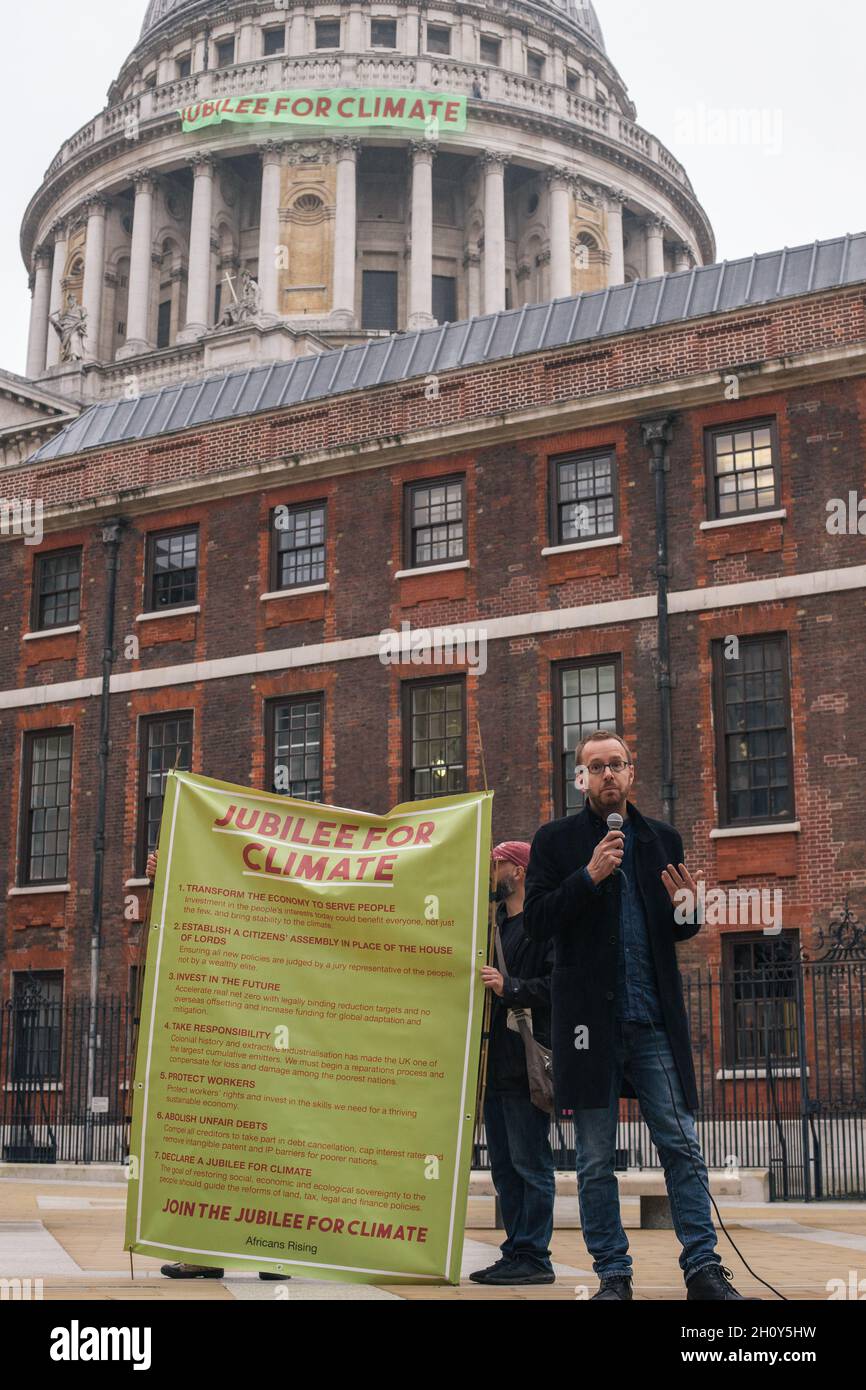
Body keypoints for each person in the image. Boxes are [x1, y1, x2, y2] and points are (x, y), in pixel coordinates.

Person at [522, 731, 756, 1302]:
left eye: (616, 765)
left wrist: (690, 912)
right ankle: (614, 1276)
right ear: (581, 779)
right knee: (597, 1159)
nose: (606, 776)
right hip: (586, 1029)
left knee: (681, 1145)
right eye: (594, 767)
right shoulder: (555, 842)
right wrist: (588, 877)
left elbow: (674, 929)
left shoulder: (660, 840)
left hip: (652, 1020)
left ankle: (702, 1267)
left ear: (631, 773)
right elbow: (534, 923)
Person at [144, 850, 288, 1283]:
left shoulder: (277, 909)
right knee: (208, 1152)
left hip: (268, 1046)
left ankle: (273, 1253)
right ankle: (204, 1252)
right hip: (218, 1043)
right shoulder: (217, 906)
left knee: (268, 1152)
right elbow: (179, 917)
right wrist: (163, 878)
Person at [472, 841, 556, 1286]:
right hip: (496, 1069)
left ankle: (535, 1255)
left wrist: (510, 987)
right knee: (503, 1167)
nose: (492, 870)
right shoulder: (494, 925)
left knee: (530, 1164)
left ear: (519, 870)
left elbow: (556, 987)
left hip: (527, 1067)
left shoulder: (540, 928)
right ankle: (515, 1250)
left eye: (498, 863)